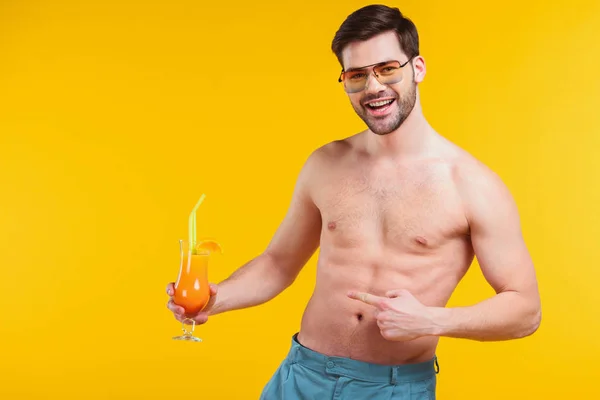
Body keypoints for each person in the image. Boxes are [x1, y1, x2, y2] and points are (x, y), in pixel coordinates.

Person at [166, 4, 542, 399]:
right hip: (299, 377)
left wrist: (431, 320)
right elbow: (278, 264)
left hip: (393, 388)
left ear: (418, 68)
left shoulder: (472, 184)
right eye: (357, 75)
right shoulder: (325, 164)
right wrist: (215, 298)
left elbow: (525, 311)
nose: (373, 87)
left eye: (387, 69)